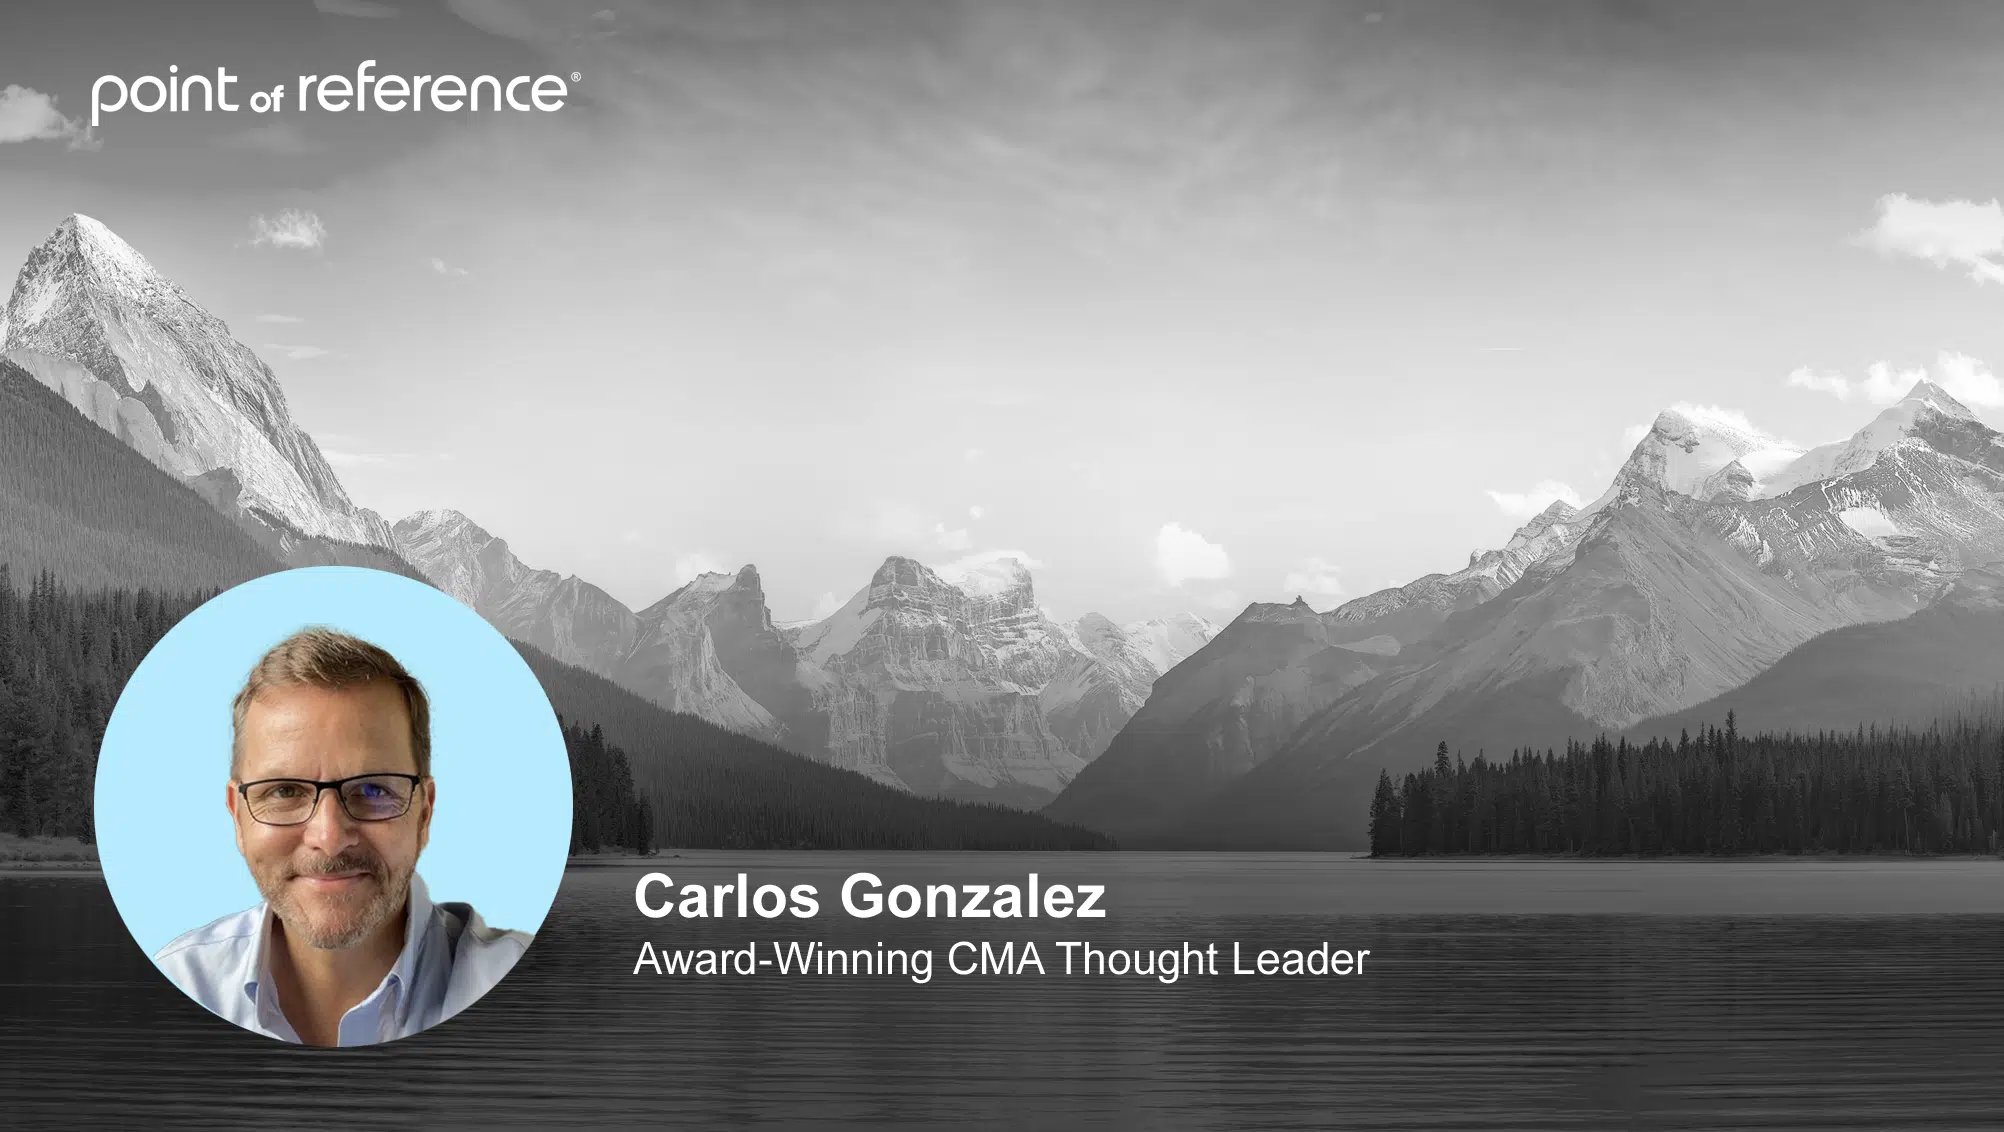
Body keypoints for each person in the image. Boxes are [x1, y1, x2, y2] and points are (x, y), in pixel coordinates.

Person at [154, 626, 531, 1046]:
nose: (329, 837)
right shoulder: (175, 985)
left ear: (424, 813)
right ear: (238, 816)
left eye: (373, 790)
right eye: (284, 791)